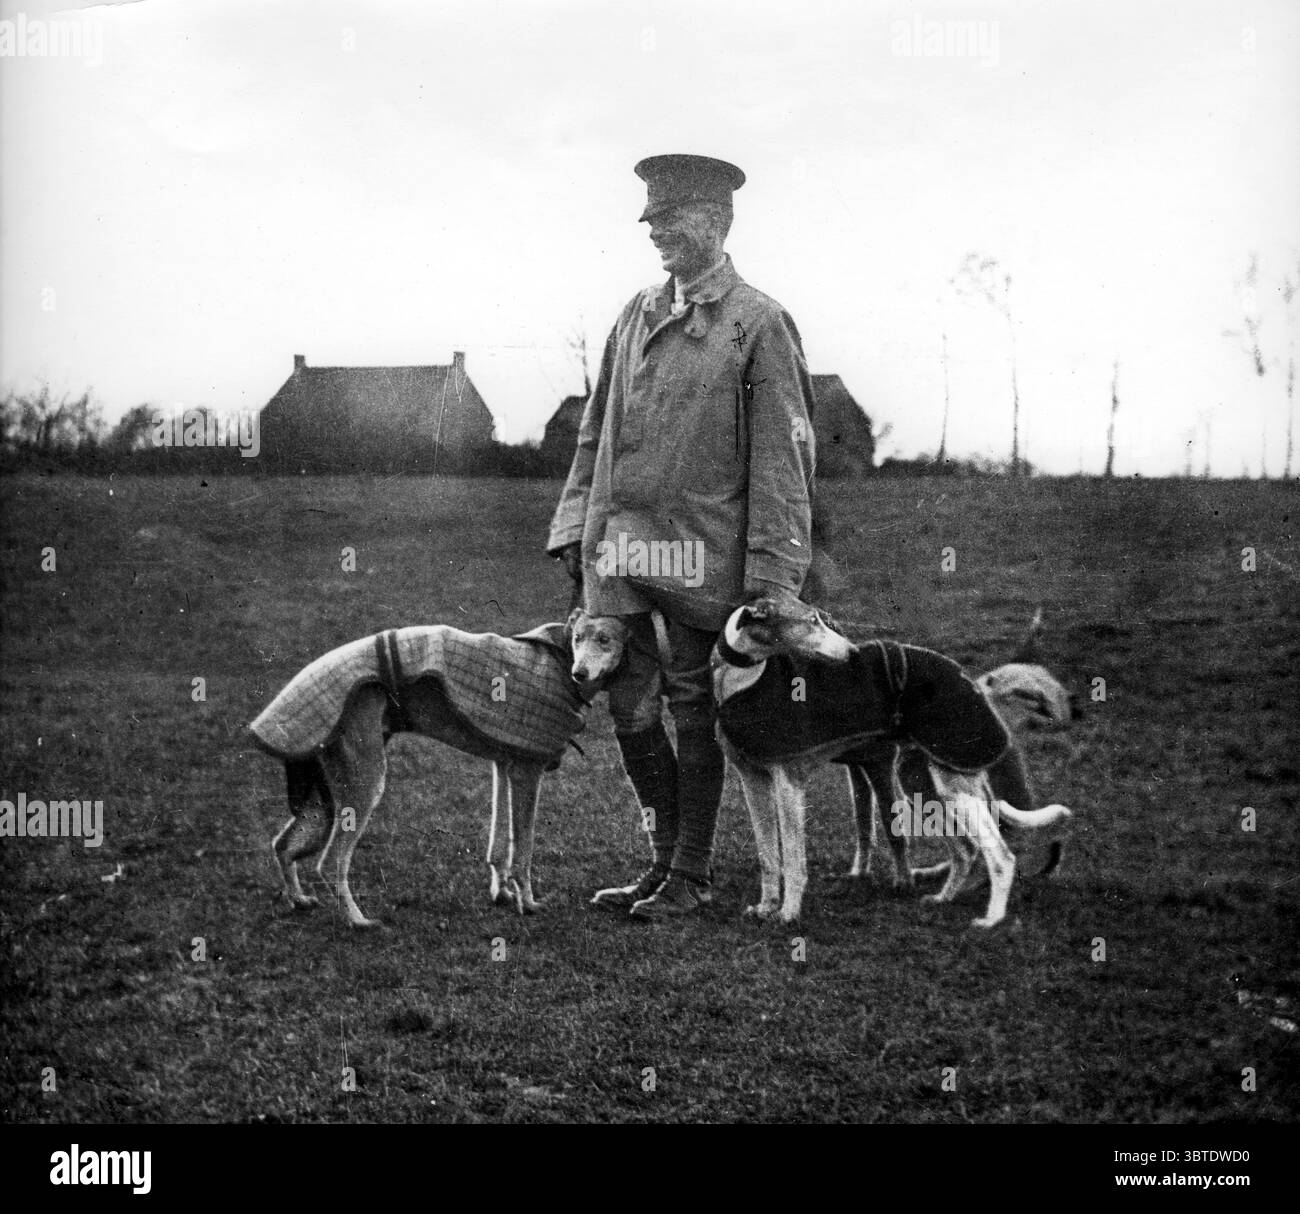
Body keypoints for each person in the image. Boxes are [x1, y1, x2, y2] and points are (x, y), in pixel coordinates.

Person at [547, 153, 816, 920]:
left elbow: (784, 459)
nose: (654, 230)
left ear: (717, 220)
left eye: (670, 218)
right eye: (650, 218)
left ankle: (692, 875)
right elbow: (593, 433)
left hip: (706, 556)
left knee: (696, 710)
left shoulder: (758, 323)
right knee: (631, 710)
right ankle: (660, 864)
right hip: (621, 552)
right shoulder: (633, 314)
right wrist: (574, 525)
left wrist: (773, 576)